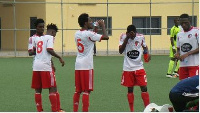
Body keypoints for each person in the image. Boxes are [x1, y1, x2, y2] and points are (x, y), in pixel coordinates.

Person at [73, 13, 109, 112]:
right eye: (89, 21)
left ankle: (75, 110)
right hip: (87, 65)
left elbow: (91, 39)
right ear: (85, 23)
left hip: (78, 64)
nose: (91, 22)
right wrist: (103, 26)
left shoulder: (77, 33)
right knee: (86, 91)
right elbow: (106, 37)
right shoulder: (89, 34)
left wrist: (95, 27)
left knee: (78, 91)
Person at [29, 23, 65, 112]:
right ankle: (55, 110)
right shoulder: (49, 38)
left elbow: (36, 52)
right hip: (45, 67)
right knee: (53, 88)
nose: (54, 37)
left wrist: (52, 63)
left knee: (38, 90)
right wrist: (59, 57)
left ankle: (40, 110)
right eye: (55, 34)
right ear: (52, 32)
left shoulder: (36, 38)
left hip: (36, 66)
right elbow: (49, 50)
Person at [119, 25, 151, 112]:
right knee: (130, 89)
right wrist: (127, 38)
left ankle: (147, 109)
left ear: (136, 33)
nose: (132, 36)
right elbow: (120, 51)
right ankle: (131, 110)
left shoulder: (141, 37)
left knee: (144, 88)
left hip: (139, 67)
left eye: (133, 34)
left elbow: (145, 47)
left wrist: (147, 53)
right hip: (128, 68)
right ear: (127, 33)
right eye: (130, 34)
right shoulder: (123, 37)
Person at [175, 13, 199, 80]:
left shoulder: (197, 31)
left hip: (195, 64)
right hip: (183, 65)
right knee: (183, 87)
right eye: (182, 23)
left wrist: (187, 54)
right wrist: (177, 54)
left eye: (185, 23)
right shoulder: (179, 34)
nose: (183, 25)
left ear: (190, 21)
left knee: (194, 87)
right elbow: (178, 49)